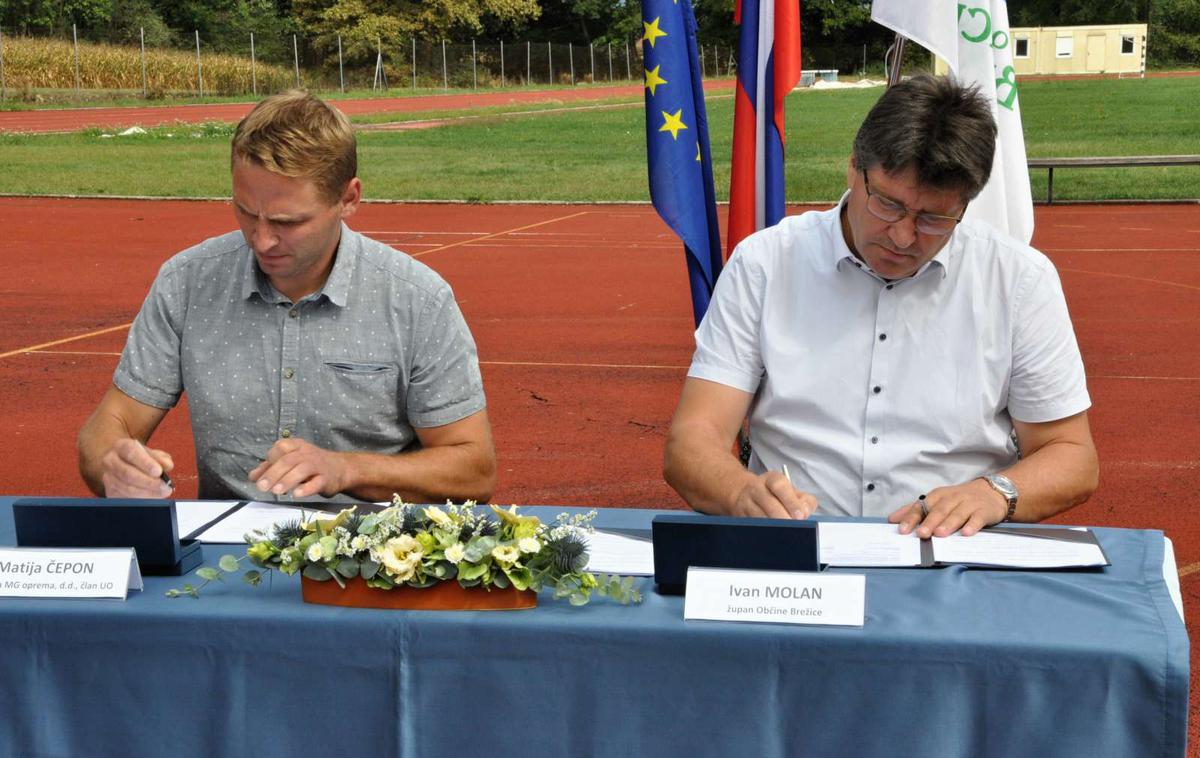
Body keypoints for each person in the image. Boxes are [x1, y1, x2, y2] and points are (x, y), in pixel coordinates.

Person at [663, 74, 1098, 538]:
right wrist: (739, 493)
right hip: (798, 546)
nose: (903, 236)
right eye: (888, 205)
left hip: (952, 553)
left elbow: (1072, 454)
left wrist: (994, 493)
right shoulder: (765, 263)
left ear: (966, 207)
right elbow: (693, 439)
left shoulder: (1018, 279)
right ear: (854, 168)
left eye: (935, 219)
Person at [78, 90, 496, 504]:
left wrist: (348, 469)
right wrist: (112, 463)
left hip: (369, 556)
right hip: (227, 555)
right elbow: (108, 428)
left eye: (288, 221)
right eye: (245, 211)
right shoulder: (187, 282)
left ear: (349, 198)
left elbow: (473, 468)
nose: (261, 240)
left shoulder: (417, 300)